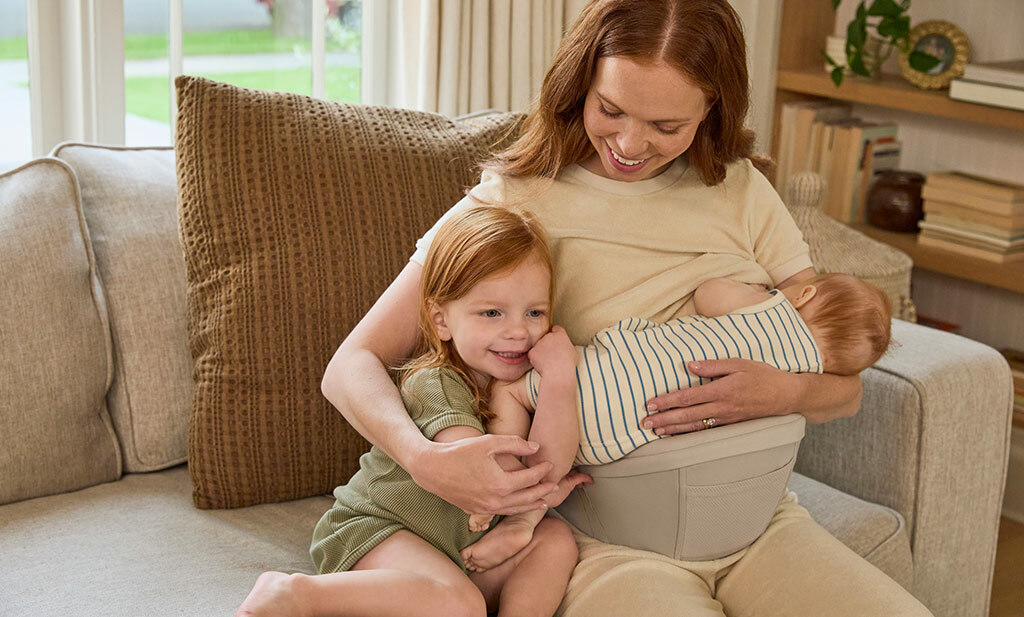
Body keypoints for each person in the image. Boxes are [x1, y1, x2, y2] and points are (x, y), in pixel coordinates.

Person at [320, 0, 934, 615]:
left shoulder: (743, 189)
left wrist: (783, 393)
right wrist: (428, 461)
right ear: (580, 83)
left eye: (667, 126)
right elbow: (351, 364)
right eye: (610, 109)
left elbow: (845, 388)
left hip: (764, 529)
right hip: (610, 545)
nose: (631, 144)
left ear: (712, 109)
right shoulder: (513, 200)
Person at [236, 205, 589, 617]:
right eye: (492, 313)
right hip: (381, 531)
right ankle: (293, 593)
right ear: (441, 321)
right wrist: (531, 506)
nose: (519, 331)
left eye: (535, 312)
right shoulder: (433, 382)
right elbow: (498, 474)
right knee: (459, 604)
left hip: (461, 552)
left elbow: (546, 468)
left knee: (557, 541)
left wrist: (560, 379)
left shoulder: (521, 382)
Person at [457, 272, 892, 570]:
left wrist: (758, 290)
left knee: (511, 389)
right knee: (569, 449)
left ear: (806, 294)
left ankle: (511, 488)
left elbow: (709, 293)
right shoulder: (809, 372)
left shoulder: (772, 307)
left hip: (599, 378)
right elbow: (846, 393)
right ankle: (526, 519)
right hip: (633, 438)